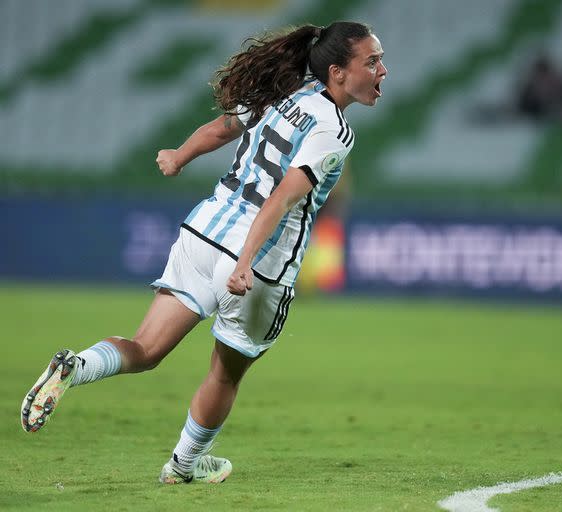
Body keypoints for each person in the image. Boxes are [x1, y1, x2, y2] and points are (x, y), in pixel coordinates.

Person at [20, 21, 387, 484]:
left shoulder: (282, 91)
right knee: (226, 374)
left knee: (145, 348)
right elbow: (281, 199)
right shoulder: (335, 130)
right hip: (258, 263)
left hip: (202, 232)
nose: (382, 70)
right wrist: (245, 261)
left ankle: (77, 365)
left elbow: (222, 127)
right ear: (337, 72)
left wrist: (178, 155)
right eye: (371, 61)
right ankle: (184, 464)